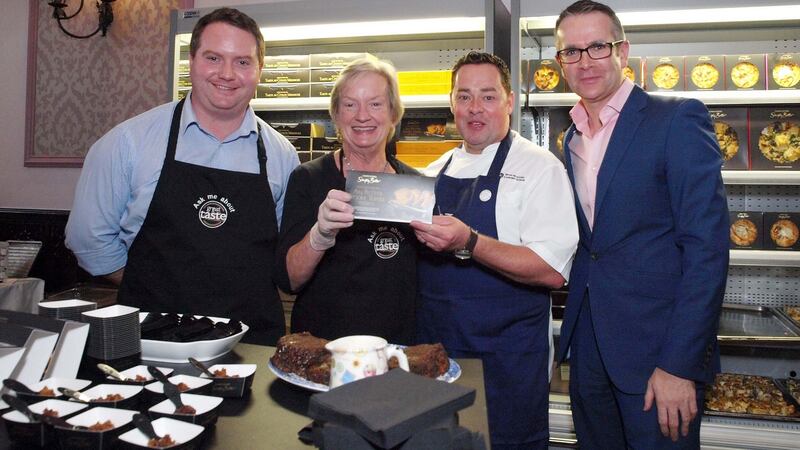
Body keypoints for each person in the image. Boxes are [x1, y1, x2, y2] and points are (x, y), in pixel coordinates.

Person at [65, 8, 299, 345]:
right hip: (152, 340)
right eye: (213, 58)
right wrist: (147, 287)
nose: (227, 73)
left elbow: (284, 257)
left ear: (259, 70)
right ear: (191, 62)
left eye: (243, 62)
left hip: (251, 344)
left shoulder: (281, 155)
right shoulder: (128, 142)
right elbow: (88, 239)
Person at [553, 1, 730, 448]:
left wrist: (680, 365)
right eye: (571, 51)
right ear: (560, 62)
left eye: (597, 46)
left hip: (659, 359)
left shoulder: (676, 119)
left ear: (623, 50)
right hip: (589, 354)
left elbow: (707, 250)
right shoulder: (569, 138)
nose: (585, 61)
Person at [411, 51, 579, 449]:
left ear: (509, 100)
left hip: (508, 361)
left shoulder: (540, 168)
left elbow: (552, 270)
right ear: (451, 103)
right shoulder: (431, 174)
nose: (474, 108)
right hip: (437, 355)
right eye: (464, 96)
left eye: (487, 96)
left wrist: (469, 241)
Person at [275, 57, 419, 344]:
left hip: (396, 352)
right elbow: (289, 280)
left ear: (393, 114)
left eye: (375, 104)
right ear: (336, 116)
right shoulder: (308, 179)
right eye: (350, 104)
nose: (362, 116)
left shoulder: (414, 186)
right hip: (323, 351)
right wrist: (320, 234)